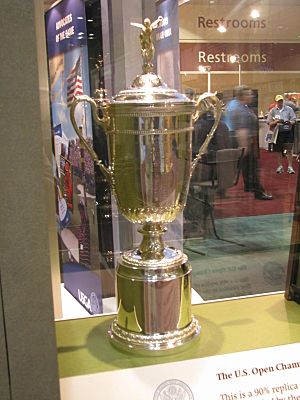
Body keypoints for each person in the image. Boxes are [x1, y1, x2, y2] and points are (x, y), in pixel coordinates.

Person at [230, 85, 272, 200]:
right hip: (245, 142)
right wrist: (244, 146)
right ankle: (259, 192)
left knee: (248, 167)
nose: (251, 96)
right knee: (252, 168)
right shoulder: (240, 110)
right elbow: (241, 130)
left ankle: (249, 186)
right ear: (242, 96)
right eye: (248, 94)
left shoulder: (242, 107)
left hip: (247, 141)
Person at [267, 94, 296, 174]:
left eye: (281, 101)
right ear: (276, 102)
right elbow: (269, 123)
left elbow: (294, 119)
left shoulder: (289, 109)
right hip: (278, 133)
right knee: (279, 150)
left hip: (288, 131)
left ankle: (290, 167)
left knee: (289, 150)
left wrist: (290, 122)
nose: (280, 102)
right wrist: (276, 122)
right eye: (279, 101)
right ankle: (280, 166)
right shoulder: (272, 111)